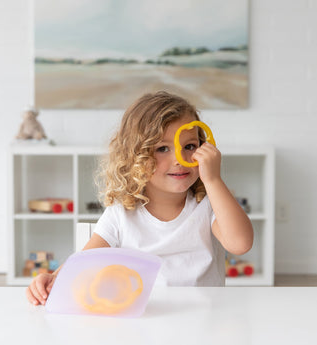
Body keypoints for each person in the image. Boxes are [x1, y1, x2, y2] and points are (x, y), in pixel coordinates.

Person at [26, 91, 253, 306]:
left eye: (190, 146)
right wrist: (52, 278)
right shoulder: (121, 214)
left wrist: (213, 180)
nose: (180, 159)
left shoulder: (208, 205)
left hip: (204, 323)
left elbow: (240, 244)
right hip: (145, 323)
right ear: (135, 156)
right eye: (163, 148)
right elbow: (84, 262)